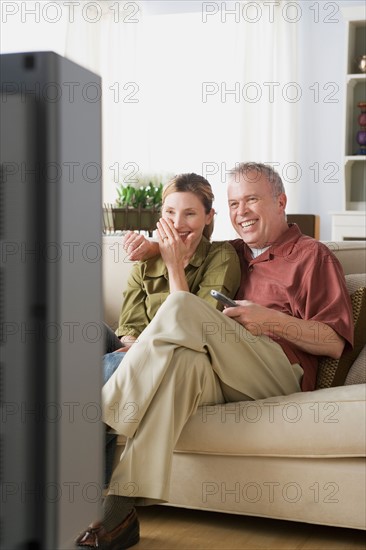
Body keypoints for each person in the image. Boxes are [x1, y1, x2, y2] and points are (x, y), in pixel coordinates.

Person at [76, 163, 354, 549]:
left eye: (252, 200)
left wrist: (269, 319)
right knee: (181, 366)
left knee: (183, 307)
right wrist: (153, 246)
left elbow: (334, 342)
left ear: (281, 202)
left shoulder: (312, 256)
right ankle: (120, 512)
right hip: (222, 370)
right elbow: (189, 246)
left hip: (278, 369)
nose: (242, 212)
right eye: (234, 203)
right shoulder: (233, 252)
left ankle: (89, 419)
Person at [102, 172, 241, 381]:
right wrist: (132, 348)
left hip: (178, 357)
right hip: (137, 352)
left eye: (190, 213)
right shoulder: (147, 259)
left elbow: (193, 330)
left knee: (111, 364)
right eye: (170, 212)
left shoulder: (222, 256)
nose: (177, 224)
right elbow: (131, 326)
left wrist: (174, 264)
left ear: (209, 216)